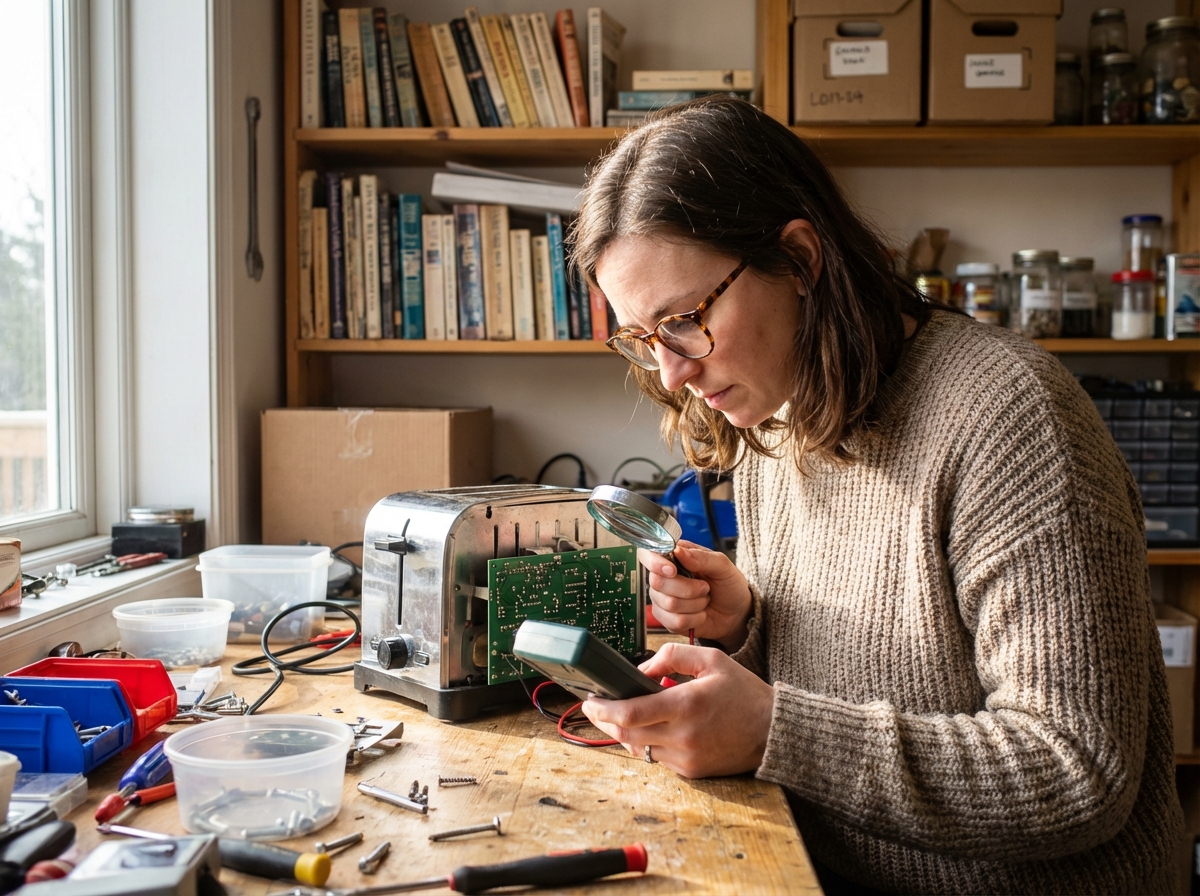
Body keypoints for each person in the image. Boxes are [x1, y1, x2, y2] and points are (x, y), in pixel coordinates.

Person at [572, 97, 1183, 895]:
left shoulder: (1012, 416)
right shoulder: (775, 415)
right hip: (814, 871)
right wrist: (746, 624)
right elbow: (853, 684)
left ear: (799, 260)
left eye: (684, 319)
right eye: (642, 339)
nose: (673, 371)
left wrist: (772, 731)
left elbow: (1076, 772)